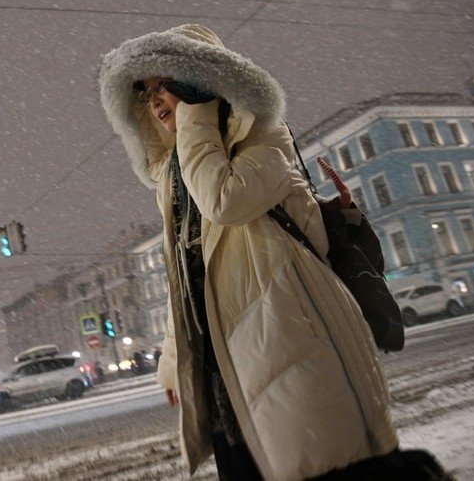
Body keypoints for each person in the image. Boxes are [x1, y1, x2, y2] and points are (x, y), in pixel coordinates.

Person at [98, 25, 451, 480]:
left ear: (201, 80)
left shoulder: (263, 138)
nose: (156, 100)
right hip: (229, 371)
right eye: (146, 93)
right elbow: (185, 279)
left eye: (166, 83)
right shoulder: (176, 176)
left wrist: (196, 117)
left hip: (291, 344)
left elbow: (225, 201)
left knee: (330, 466)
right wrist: (174, 364)